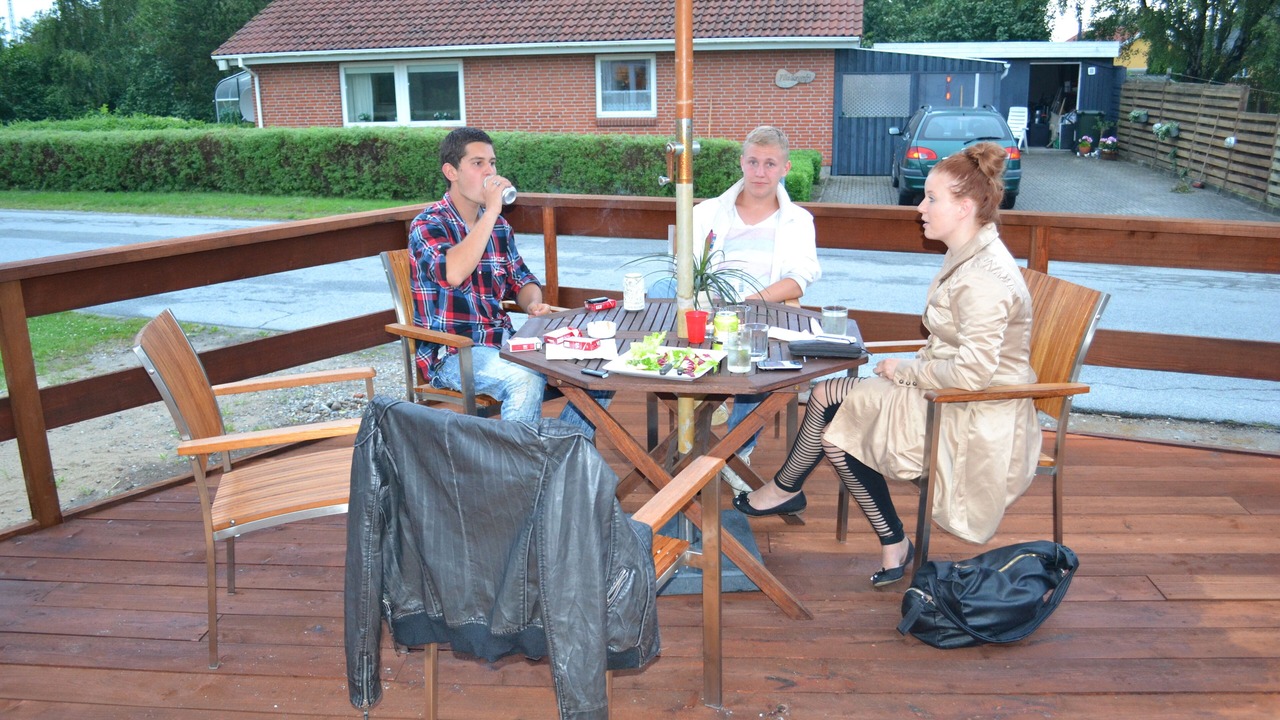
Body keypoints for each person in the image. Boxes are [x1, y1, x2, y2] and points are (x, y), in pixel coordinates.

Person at [734, 142, 1040, 587]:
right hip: (952, 392)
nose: (921, 207)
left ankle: (790, 491)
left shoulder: (983, 278)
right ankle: (809, 500)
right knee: (834, 411)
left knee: (835, 417)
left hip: (975, 411)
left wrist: (906, 371)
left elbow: (975, 375)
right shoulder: (969, 253)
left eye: (932, 198)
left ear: (965, 207)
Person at [408, 126, 607, 433]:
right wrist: (492, 212)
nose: (490, 172)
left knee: (598, 367)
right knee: (525, 377)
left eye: (492, 162)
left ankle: (552, 453)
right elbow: (454, 272)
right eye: (478, 164)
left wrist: (533, 304)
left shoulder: (499, 226)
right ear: (451, 171)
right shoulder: (429, 224)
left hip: (504, 343)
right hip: (454, 353)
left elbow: (522, 280)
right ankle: (516, 472)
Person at [654, 126, 821, 488]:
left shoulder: (798, 221)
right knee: (659, 292)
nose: (760, 172)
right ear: (741, 163)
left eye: (770, 164)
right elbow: (683, 265)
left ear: (785, 168)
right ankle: (697, 406)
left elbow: (799, 279)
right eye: (753, 162)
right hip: (707, 306)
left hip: (763, 309)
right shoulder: (708, 212)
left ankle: (735, 447)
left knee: (761, 359)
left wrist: (749, 302)